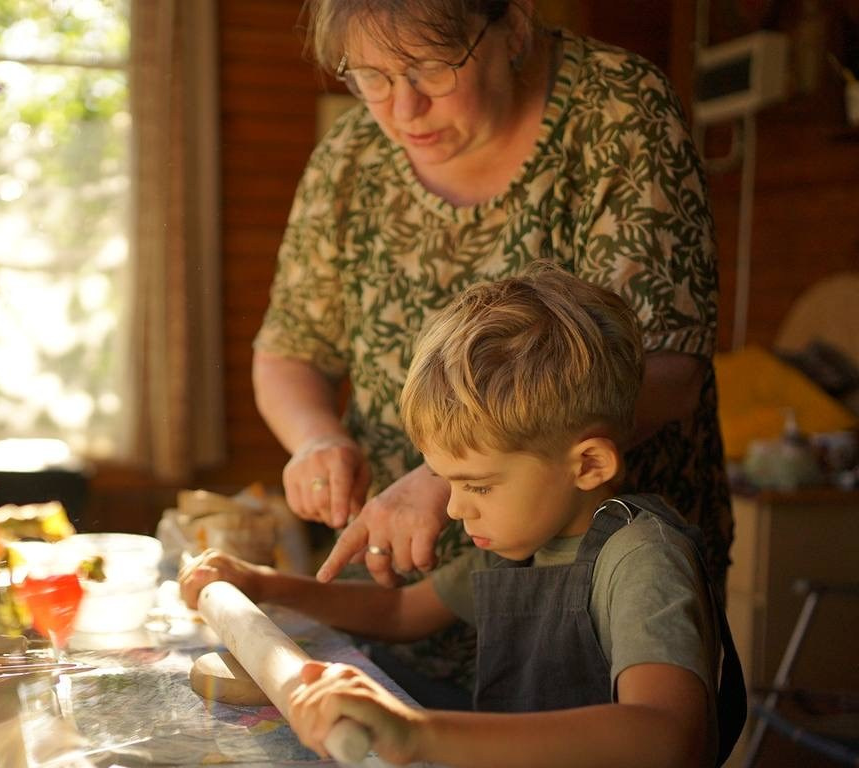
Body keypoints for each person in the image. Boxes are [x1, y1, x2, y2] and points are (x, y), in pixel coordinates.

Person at [184, 264, 746, 768]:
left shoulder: (641, 557)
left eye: (477, 485)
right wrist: (266, 585)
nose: (453, 508)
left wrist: (417, 732)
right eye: (447, 481)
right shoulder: (521, 541)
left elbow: (666, 744)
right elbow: (402, 612)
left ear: (588, 465)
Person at [254, 0, 731, 693]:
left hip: (583, 597)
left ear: (512, 28)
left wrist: (444, 475)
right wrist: (316, 439)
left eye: (432, 69)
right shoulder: (350, 156)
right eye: (371, 78)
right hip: (406, 597)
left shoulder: (616, 109)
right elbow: (288, 349)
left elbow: (667, 365)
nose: (404, 109)